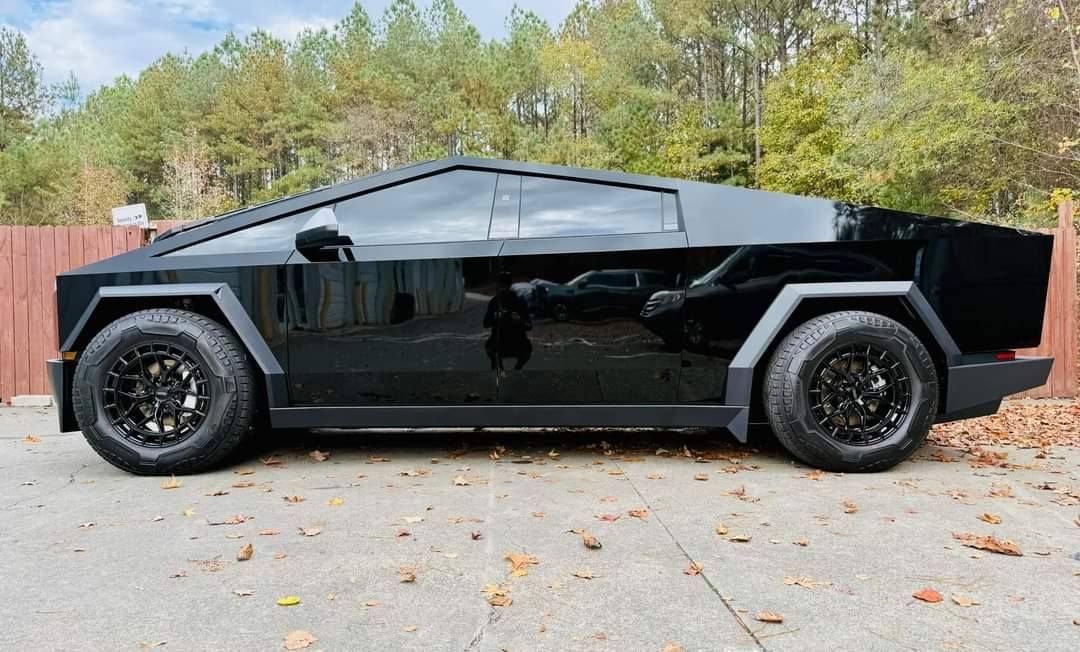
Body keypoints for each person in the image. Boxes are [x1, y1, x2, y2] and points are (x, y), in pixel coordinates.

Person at [483, 272, 533, 370]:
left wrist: (519, 319)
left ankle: (518, 369)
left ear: (509, 286)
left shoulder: (519, 302)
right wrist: (494, 317)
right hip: (499, 341)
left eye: (504, 285)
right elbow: (485, 324)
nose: (501, 289)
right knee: (490, 349)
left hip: (517, 341)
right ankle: (499, 370)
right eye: (499, 286)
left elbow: (529, 326)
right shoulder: (494, 302)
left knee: (527, 350)